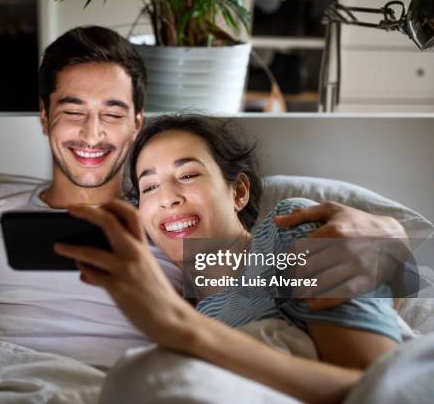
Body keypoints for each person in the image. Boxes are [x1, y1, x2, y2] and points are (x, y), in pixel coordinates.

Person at [0, 25, 409, 387]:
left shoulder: (171, 226)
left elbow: (289, 265)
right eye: (72, 109)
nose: (91, 132)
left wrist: (386, 238)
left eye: (112, 112)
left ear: (135, 122)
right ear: (45, 117)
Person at [54, 114, 403, 403]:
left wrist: (184, 329)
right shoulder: (190, 307)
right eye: (149, 187)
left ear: (237, 192)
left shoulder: (290, 232)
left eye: (188, 175)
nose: (167, 198)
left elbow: (383, 390)